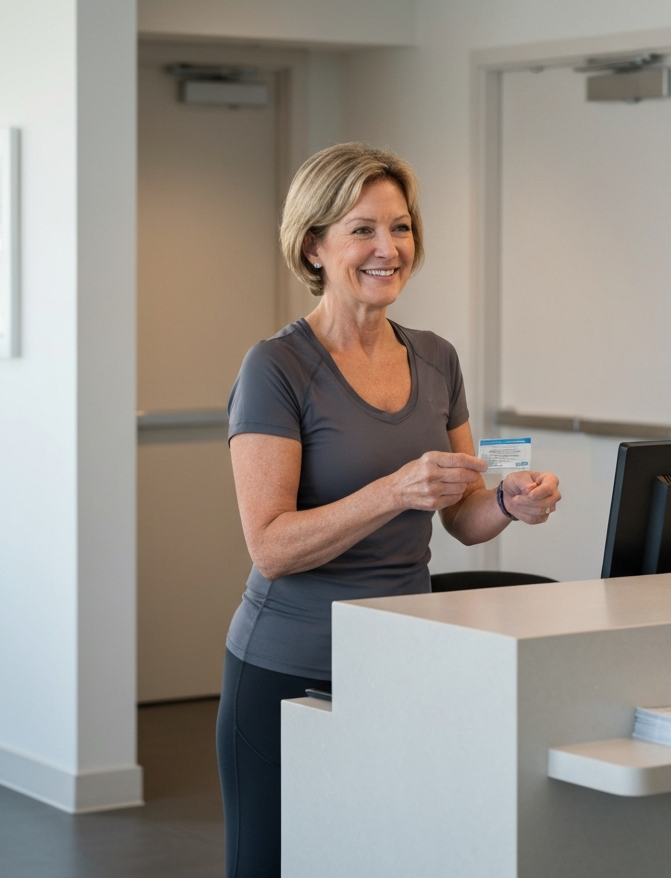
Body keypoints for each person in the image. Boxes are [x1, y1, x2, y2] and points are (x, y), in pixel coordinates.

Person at [215, 143, 561, 878]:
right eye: (362, 229)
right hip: (288, 673)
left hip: (402, 666)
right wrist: (395, 490)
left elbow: (463, 518)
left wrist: (506, 501)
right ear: (314, 243)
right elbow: (271, 547)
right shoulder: (275, 368)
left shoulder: (436, 357)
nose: (388, 249)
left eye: (400, 228)